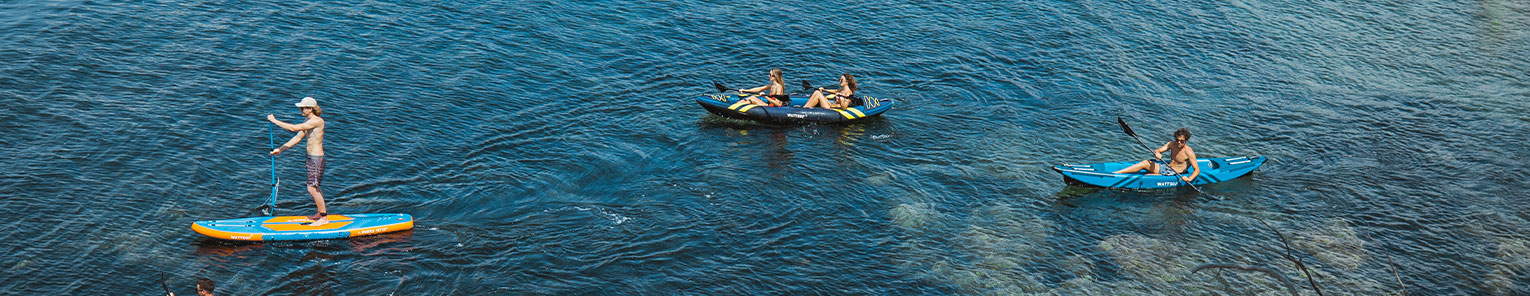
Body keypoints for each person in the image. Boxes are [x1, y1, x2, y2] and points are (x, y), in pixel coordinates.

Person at [268, 97, 330, 226]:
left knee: (312, 188)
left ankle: (324, 218)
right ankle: (320, 213)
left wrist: (275, 121)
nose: (300, 110)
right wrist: (281, 149)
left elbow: (293, 128)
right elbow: (298, 137)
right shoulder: (308, 120)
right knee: (314, 187)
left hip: (316, 159)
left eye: (303, 108)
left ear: (311, 109)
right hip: (310, 158)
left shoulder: (317, 121)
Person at [1112, 128, 1200, 182]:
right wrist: (1157, 153)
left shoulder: (1189, 152)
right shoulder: (1172, 144)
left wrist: (1189, 179)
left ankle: (1124, 180)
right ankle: (1116, 174)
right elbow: (1158, 150)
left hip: (1175, 173)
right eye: (1177, 140)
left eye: (1182, 141)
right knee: (1145, 162)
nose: (1179, 143)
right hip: (1166, 167)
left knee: (1145, 177)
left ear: (1186, 140)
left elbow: (1197, 170)